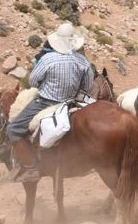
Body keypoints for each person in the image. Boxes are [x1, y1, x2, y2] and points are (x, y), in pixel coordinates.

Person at [7, 22, 94, 180]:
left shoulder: (47, 59)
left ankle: (30, 166)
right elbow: (87, 86)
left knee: (13, 129)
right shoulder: (83, 61)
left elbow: (33, 81)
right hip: (72, 103)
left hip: (45, 103)